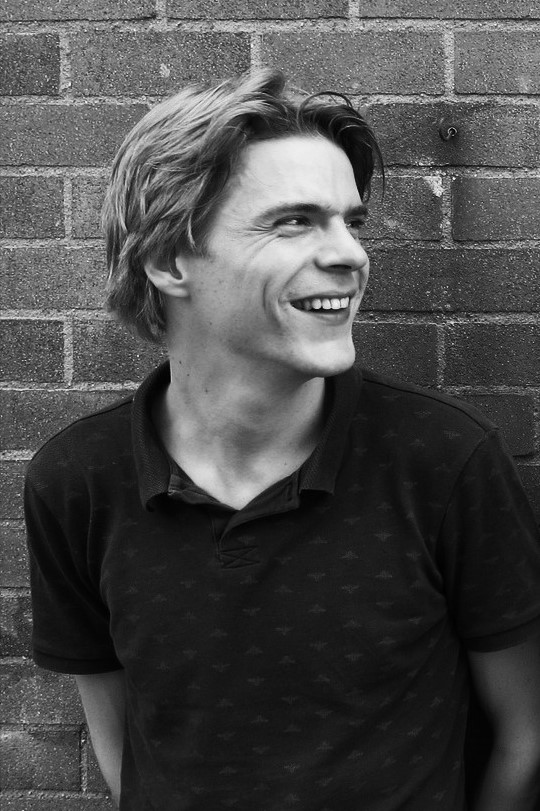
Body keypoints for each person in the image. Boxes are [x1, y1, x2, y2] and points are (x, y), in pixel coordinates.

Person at [24, 68, 540, 811]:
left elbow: (526, 736)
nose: (350, 254)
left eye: (352, 222)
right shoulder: (77, 480)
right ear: (168, 260)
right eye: (295, 221)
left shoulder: (442, 460)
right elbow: (124, 745)